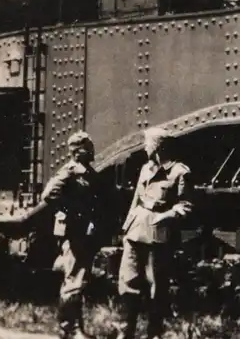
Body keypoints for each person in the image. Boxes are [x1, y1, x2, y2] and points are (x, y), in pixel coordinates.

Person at [15, 131, 99, 339]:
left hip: (82, 231)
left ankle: (73, 326)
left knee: (77, 277)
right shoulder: (70, 171)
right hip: (72, 231)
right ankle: (69, 327)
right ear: (79, 151)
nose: (92, 150)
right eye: (88, 147)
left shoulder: (87, 173)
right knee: (73, 278)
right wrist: (70, 211)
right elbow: (49, 194)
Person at [117, 127, 194, 339]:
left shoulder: (179, 172)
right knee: (128, 281)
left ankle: (154, 333)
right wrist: (126, 229)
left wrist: (166, 216)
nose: (145, 147)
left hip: (158, 234)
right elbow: (136, 199)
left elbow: (185, 206)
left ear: (159, 146)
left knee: (157, 287)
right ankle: (126, 332)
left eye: (148, 143)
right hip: (135, 231)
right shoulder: (146, 169)